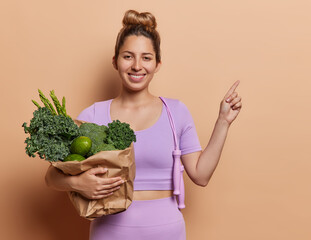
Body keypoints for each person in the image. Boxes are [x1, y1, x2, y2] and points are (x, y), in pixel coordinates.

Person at [44, 9, 242, 240]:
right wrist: (78, 183)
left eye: (146, 58)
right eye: (128, 56)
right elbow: (51, 177)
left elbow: (201, 175)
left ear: (157, 64)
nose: (137, 65)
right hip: (110, 232)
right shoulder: (93, 115)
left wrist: (223, 122)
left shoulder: (175, 112)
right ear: (115, 61)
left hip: (167, 231)